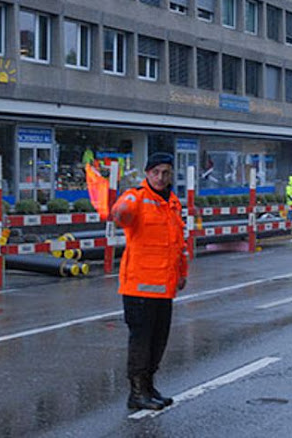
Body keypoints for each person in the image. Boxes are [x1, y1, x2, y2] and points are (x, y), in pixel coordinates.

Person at [111, 152, 188, 411]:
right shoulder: (137, 197)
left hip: (164, 287)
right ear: (147, 173)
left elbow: (178, 244)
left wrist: (182, 273)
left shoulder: (173, 203)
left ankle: (148, 386)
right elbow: (122, 213)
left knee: (158, 340)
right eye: (156, 172)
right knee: (141, 341)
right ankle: (136, 392)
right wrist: (120, 211)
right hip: (139, 287)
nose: (160, 177)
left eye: (165, 172)